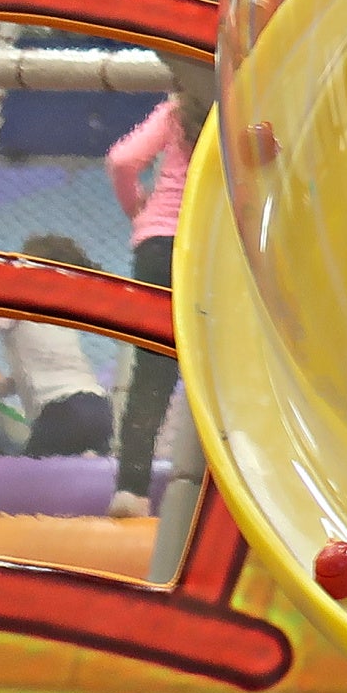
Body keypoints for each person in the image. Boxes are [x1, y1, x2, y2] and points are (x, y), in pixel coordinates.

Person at [105, 60, 214, 519]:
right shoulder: (240, 113)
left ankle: (131, 489)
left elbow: (123, 160)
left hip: (158, 244)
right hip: (208, 247)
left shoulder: (176, 112)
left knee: (151, 372)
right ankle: (206, 494)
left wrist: (139, 211)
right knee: (212, 368)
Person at [0, 234, 116, 458]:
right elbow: (26, 377)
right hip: (99, 409)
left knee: (29, 477)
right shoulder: (57, 315)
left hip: (63, 412)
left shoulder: (19, 302)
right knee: (82, 476)